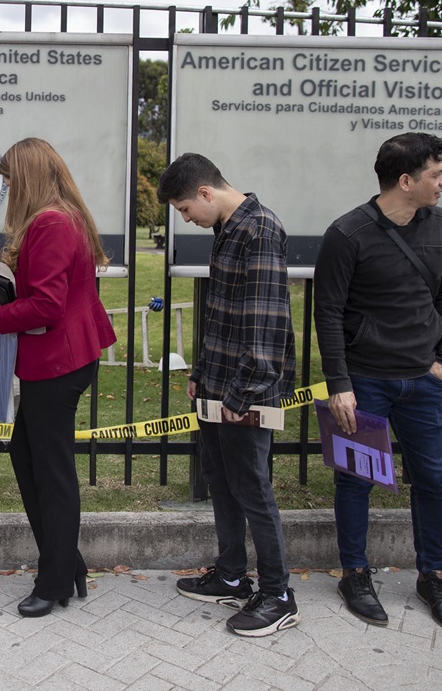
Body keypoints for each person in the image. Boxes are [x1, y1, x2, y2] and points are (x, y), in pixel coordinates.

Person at [313, 132, 442, 633]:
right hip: (366, 381)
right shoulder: (348, 233)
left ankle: (432, 576)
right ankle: (354, 574)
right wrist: (339, 382)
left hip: (425, 381)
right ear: (406, 181)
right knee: (356, 480)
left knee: (432, 481)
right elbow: (328, 311)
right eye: (436, 173)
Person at [157, 153, 300, 637]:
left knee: (252, 490)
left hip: (246, 393)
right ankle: (232, 574)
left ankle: (278, 594)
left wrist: (242, 396)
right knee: (221, 481)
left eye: (183, 209)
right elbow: (222, 314)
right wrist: (201, 372)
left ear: (205, 192)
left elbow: (264, 325)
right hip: (219, 385)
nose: (186, 220)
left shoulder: (259, 230)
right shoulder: (230, 229)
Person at [0, 137, 116, 618]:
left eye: (12, 181)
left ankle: (55, 579)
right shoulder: (63, 216)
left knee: (53, 472)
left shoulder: (52, 222)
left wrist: (0, 311)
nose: (9, 190)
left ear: (30, 177)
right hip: (64, 356)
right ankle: (67, 562)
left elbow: (45, 305)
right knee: (29, 455)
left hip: (59, 361)